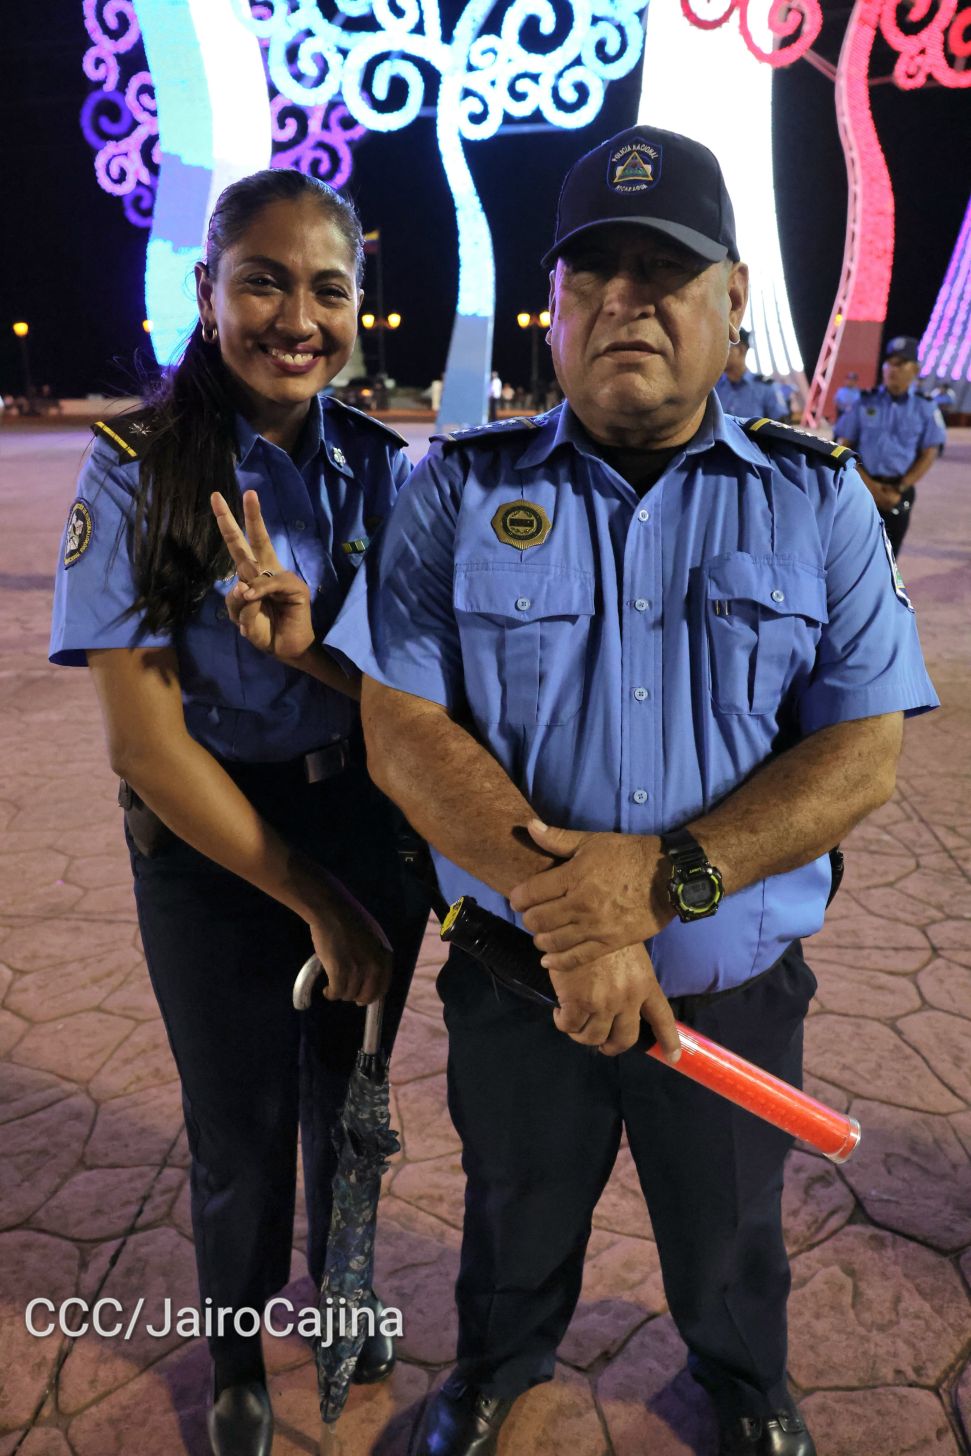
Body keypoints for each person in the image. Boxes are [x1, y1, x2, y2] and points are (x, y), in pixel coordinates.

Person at [324, 126, 938, 1456]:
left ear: (727, 305)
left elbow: (862, 749)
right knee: (514, 1206)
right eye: (590, 272)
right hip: (512, 982)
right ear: (555, 310)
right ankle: (496, 1366)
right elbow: (400, 724)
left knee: (727, 1230)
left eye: (663, 272)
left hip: (728, 988)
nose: (622, 301)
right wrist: (580, 927)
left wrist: (656, 885)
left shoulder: (814, 499)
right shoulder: (458, 490)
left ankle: (737, 1379)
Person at [48, 169, 429, 1456]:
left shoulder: (386, 470)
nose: (296, 315)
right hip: (213, 853)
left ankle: (344, 1292)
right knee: (241, 1132)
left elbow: (411, 691)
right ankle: (234, 1355)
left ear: (358, 306)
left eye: (328, 287)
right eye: (262, 278)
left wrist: (364, 875)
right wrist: (319, 905)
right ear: (208, 292)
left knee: (348, 1100)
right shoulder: (140, 472)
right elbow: (148, 747)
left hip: (367, 830)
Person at [836, 336, 946, 556]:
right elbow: (843, 445)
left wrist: (901, 487)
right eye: (889, 363)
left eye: (900, 363)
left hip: (899, 491)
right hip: (861, 488)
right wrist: (871, 488)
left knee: (889, 556)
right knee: (851, 554)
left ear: (914, 369)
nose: (892, 369)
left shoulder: (925, 407)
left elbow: (929, 452)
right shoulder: (864, 401)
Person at [714, 326, 788, 421]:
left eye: (723, 346)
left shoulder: (765, 388)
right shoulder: (714, 388)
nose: (716, 353)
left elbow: (781, 428)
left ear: (741, 350)